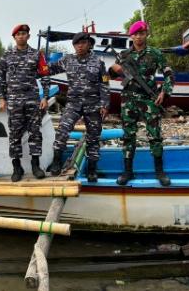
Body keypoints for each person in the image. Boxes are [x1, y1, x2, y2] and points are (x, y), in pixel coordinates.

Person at [109, 20, 175, 186]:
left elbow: (169, 74)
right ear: (131, 36)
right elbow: (107, 77)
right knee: (128, 136)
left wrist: (164, 91)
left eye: (141, 33)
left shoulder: (155, 53)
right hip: (128, 101)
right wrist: (113, 69)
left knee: (155, 135)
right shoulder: (123, 55)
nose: (138, 37)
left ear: (146, 34)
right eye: (135, 34)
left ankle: (160, 172)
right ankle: (127, 172)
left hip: (149, 100)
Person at [47, 32, 110, 182]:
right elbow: (47, 69)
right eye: (76, 44)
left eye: (83, 43)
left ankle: (92, 169)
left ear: (88, 44)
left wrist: (105, 104)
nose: (79, 46)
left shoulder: (98, 62)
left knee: (94, 137)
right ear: (74, 45)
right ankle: (56, 162)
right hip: (73, 104)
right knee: (62, 130)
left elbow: (105, 83)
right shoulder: (67, 60)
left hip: (93, 105)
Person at [0, 24, 50, 182]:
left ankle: (36, 166)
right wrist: (2, 98)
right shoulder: (6, 55)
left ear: (28, 36)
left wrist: (45, 97)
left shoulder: (36, 55)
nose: (21, 36)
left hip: (32, 100)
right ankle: (17, 167)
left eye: (24, 33)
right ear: (14, 37)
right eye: (18, 34)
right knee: (14, 135)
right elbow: (1, 79)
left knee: (35, 132)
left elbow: (45, 76)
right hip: (14, 101)